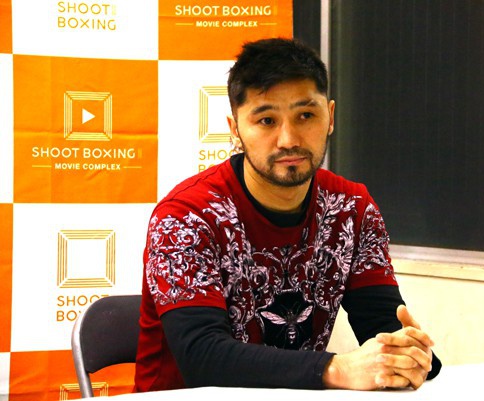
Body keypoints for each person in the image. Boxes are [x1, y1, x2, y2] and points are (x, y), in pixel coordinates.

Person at [134, 37, 442, 392]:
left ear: (330, 117)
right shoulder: (187, 216)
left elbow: (381, 326)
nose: (288, 139)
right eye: (266, 120)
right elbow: (203, 359)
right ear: (235, 130)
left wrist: (407, 355)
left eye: (305, 116)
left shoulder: (352, 208)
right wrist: (335, 368)